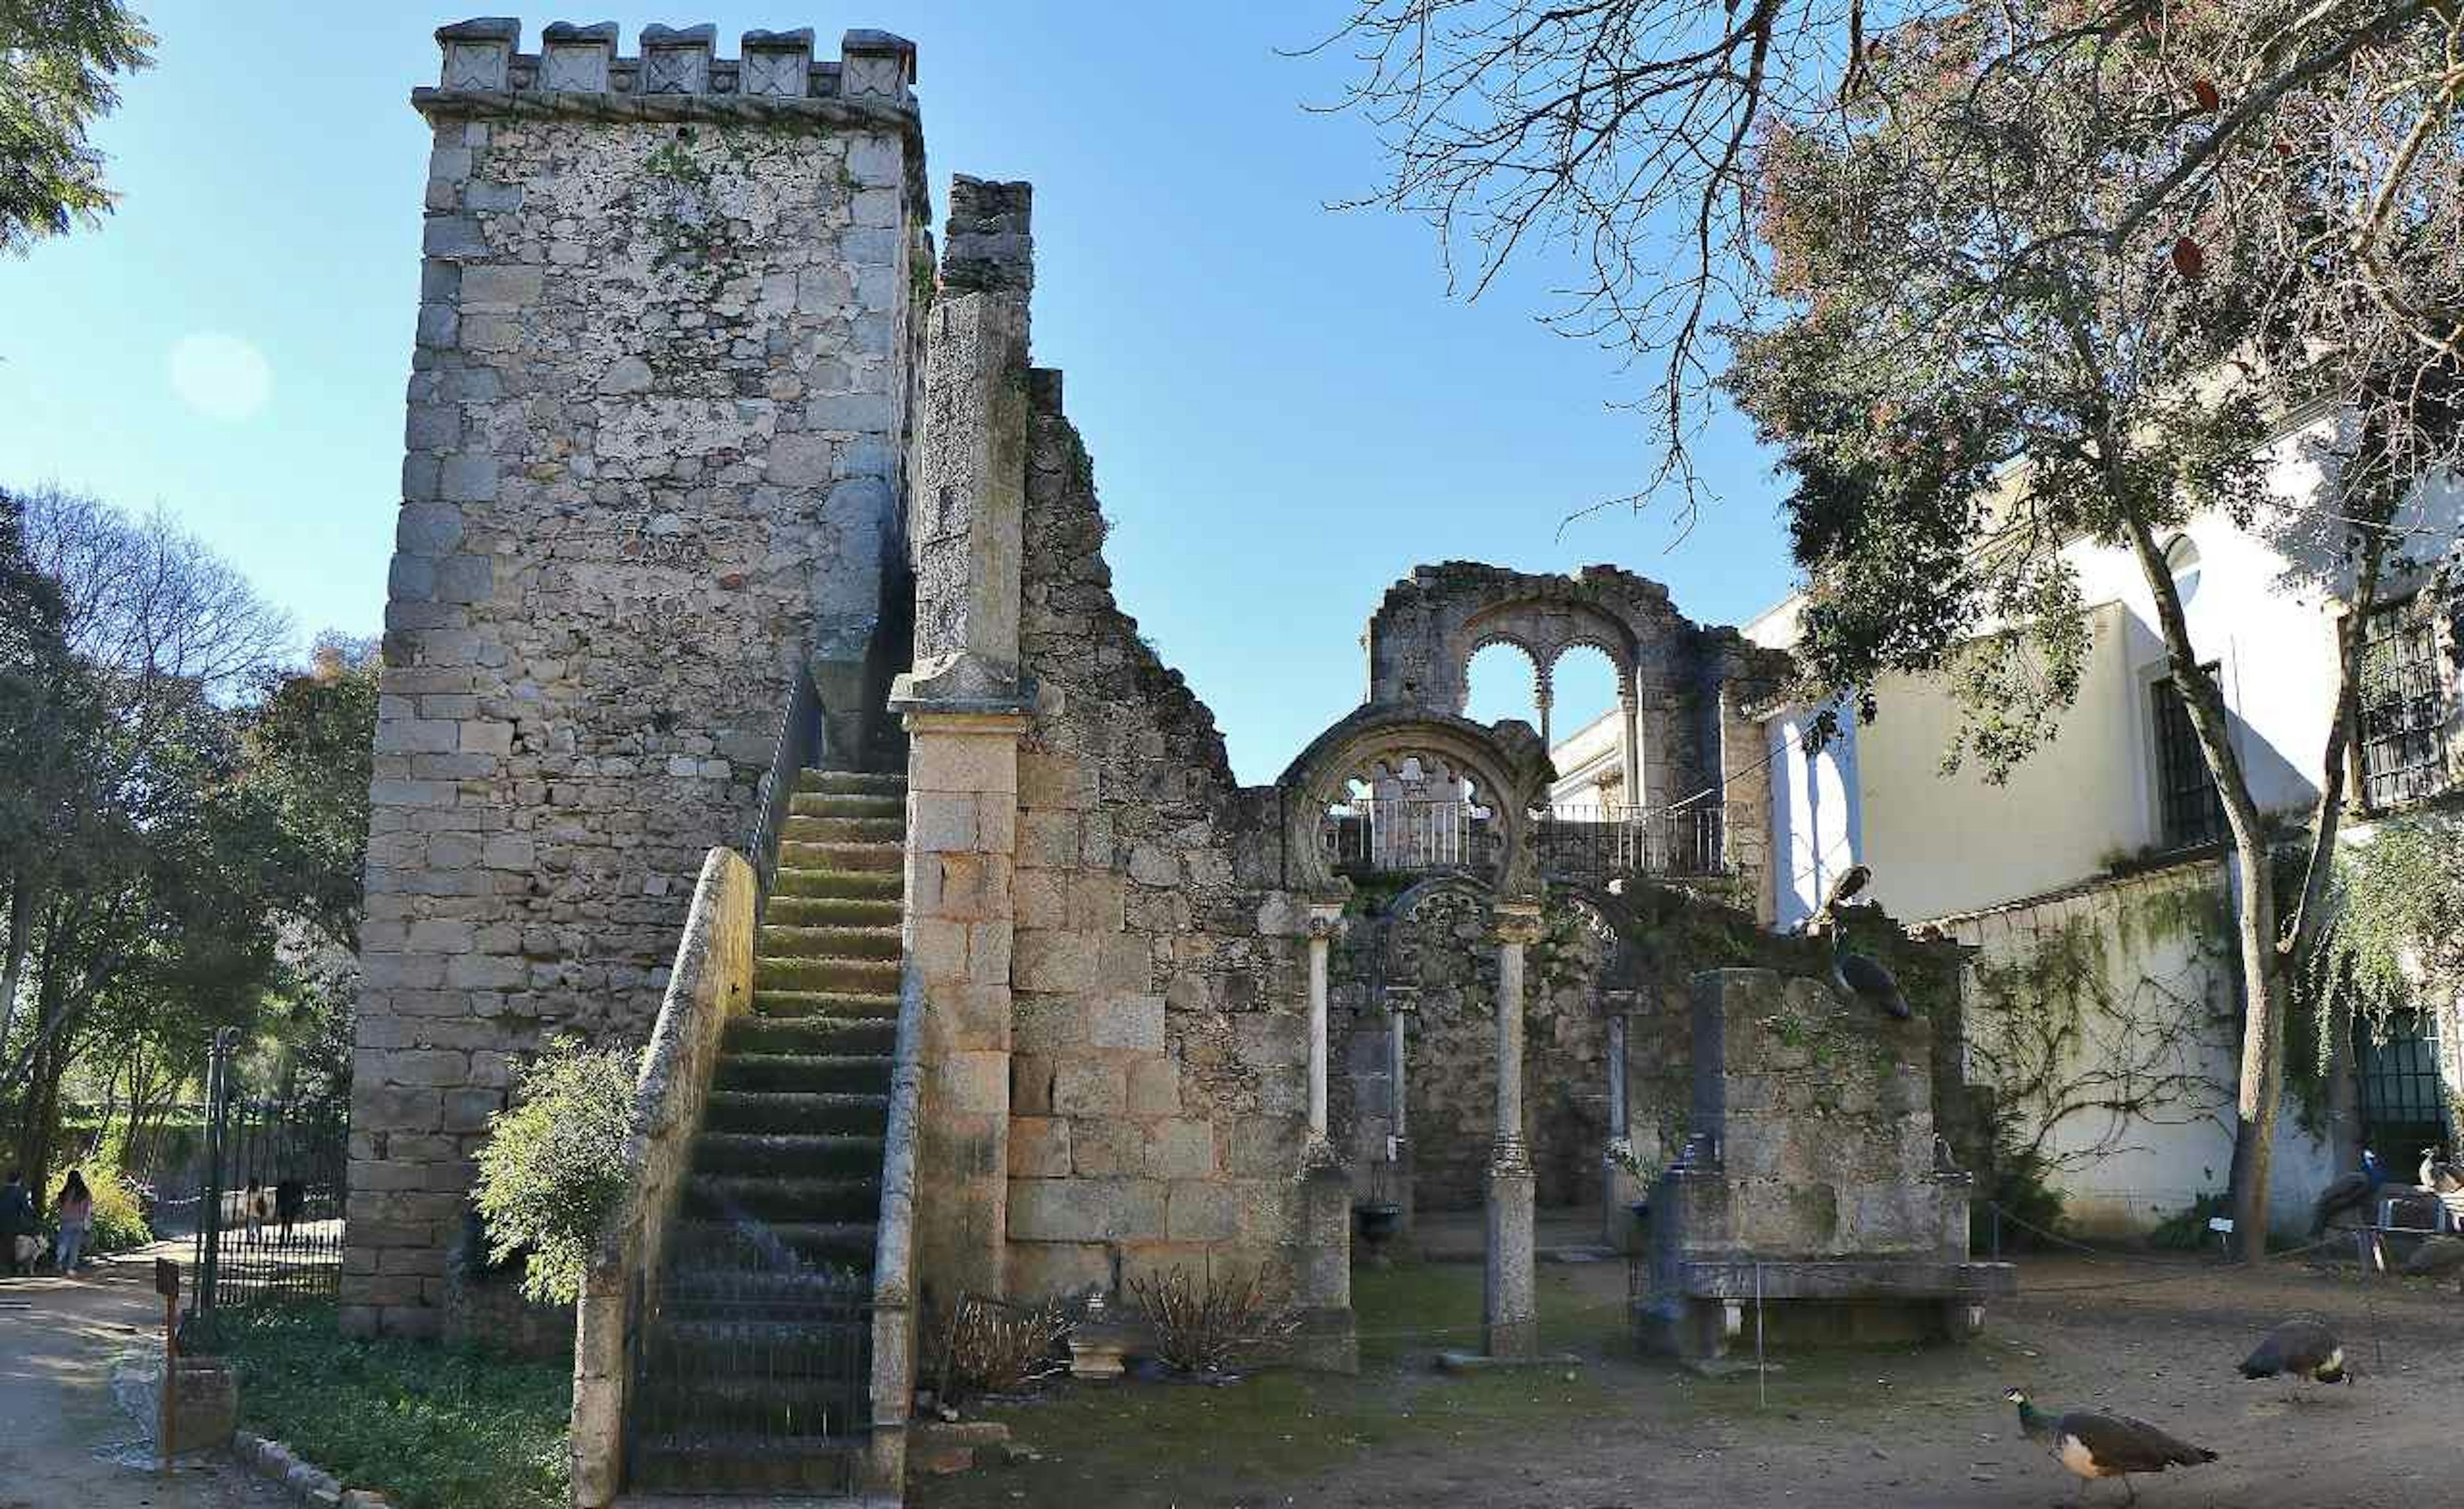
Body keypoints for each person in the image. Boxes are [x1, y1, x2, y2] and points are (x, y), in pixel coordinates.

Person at [54, 1170, 94, 1274]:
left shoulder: (64, 1193)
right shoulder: (85, 1193)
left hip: (65, 1221)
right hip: (79, 1222)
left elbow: (57, 1206)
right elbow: (89, 1210)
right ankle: (70, 1268)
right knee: (75, 1246)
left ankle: (59, 1262)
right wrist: (88, 1222)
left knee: (63, 1243)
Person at [0, 1168, 32, 1277]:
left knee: (3, 1243)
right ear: (19, 1180)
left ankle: (3, 1266)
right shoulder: (20, 1192)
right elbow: (26, 1210)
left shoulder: (2, 1191)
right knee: (11, 1245)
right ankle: (10, 1268)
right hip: (13, 1223)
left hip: (1, 1222)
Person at [243, 1177, 266, 1244]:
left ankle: (250, 1238)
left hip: (252, 1211)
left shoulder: (248, 1191)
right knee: (257, 1226)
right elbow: (264, 1200)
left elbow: (245, 1201)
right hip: (256, 1210)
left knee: (251, 1226)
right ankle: (257, 1238)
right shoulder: (259, 1190)